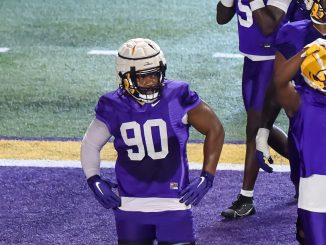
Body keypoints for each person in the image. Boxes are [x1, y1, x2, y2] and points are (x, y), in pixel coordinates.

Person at [80, 38, 225, 245]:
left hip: (175, 203)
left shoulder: (178, 95)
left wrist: (207, 177)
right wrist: (93, 178)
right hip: (130, 205)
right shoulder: (112, 105)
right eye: (142, 77)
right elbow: (90, 143)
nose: (150, 82)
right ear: (125, 77)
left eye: (154, 75)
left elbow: (215, 128)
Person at [216, 0, 291, 218]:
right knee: (259, 127)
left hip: (276, 61)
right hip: (252, 62)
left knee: (255, 129)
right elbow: (221, 18)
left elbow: (268, 27)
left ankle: (246, 198)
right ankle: (305, 167)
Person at [273, 1, 326, 242]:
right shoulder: (303, 100)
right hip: (313, 179)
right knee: (307, 232)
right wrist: (306, 52)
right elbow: (279, 83)